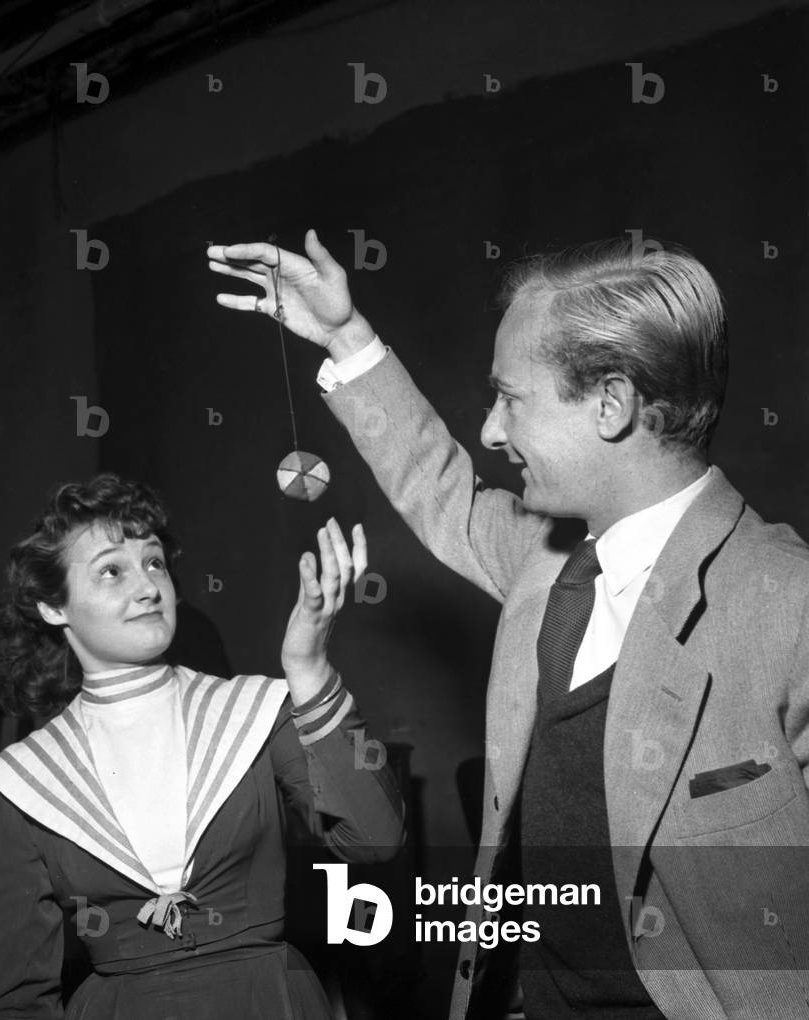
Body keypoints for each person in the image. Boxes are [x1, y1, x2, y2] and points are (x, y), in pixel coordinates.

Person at [207, 231, 809, 1019]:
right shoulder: (546, 560)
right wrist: (345, 335)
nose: (492, 431)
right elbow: (440, 488)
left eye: (511, 399)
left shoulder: (787, 601)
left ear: (611, 404)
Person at [0, 473, 404, 1019]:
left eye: (154, 562)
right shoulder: (20, 782)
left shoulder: (254, 712)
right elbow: (19, 1003)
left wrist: (308, 667)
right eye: (112, 570)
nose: (149, 587)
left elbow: (375, 840)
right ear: (53, 607)